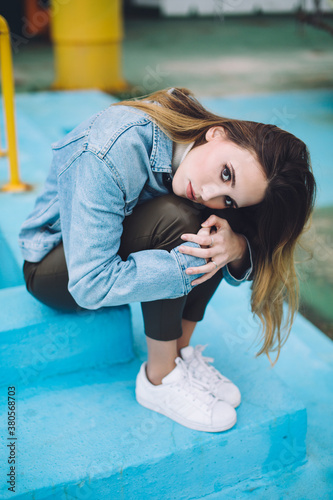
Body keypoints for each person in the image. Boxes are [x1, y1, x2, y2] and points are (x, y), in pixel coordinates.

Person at [18, 87, 316, 433]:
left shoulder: (193, 149)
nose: (210, 193)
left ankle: (179, 354)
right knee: (183, 221)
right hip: (56, 268)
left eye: (230, 198)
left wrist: (233, 246)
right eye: (225, 174)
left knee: (214, 224)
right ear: (217, 133)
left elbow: (229, 227)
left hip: (108, 253)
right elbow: (89, 285)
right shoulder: (110, 150)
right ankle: (158, 379)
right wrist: (182, 270)